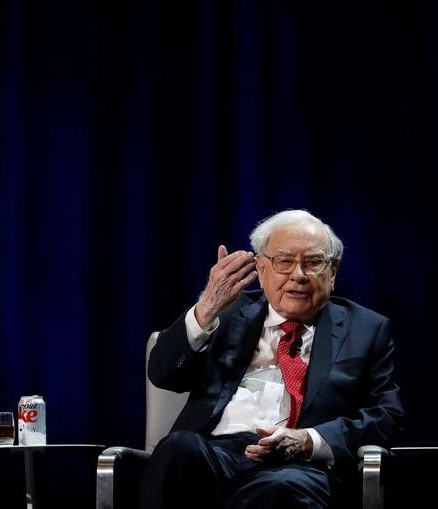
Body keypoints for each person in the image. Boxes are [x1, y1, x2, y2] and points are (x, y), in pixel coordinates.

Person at [140, 209, 403, 508]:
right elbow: (163, 374)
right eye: (284, 261)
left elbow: (387, 416)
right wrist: (206, 309)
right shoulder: (225, 314)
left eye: (313, 262)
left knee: (279, 488)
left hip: (300, 466)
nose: (298, 275)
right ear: (262, 269)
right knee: (178, 448)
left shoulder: (366, 329)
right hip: (214, 455)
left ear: (333, 271)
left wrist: (309, 441)